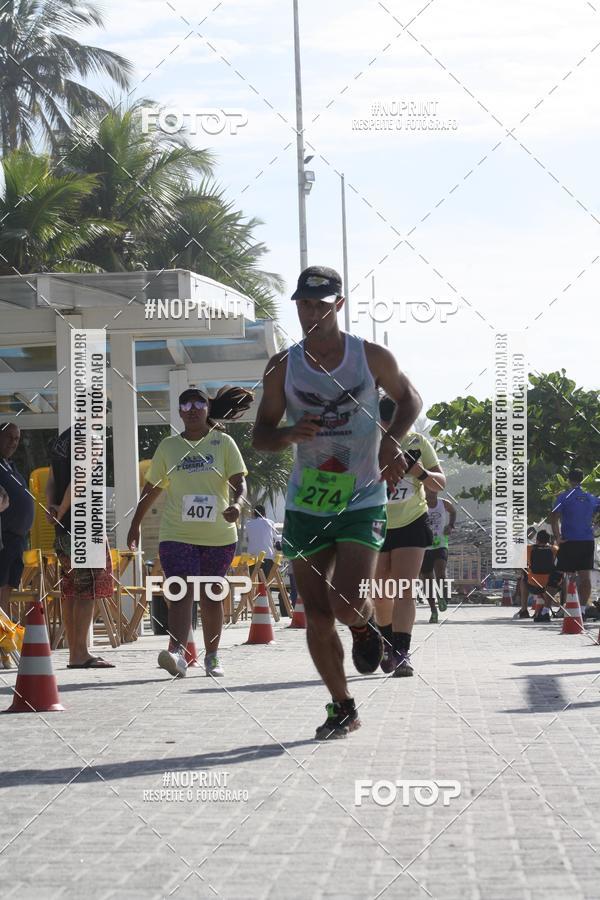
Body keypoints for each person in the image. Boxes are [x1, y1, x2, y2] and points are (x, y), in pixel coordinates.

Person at [252, 265, 422, 739]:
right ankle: (342, 705)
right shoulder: (283, 366)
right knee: (317, 612)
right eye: (304, 304)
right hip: (307, 502)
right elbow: (261, 435)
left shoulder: (369, 357)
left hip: (361, 496)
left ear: (338, 306)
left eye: (321, 305)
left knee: (346, 602)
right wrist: (287, 434)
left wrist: (390, 439)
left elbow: (410, 399)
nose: (311, 313)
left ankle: (365, 626)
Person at [127, 386, 252, 679]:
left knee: (210, 595)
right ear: (180, 412)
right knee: (180, 590)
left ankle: (212, 657)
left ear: (207, 409)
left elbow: (239, 483)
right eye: (185, 404)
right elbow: (151, 490)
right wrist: (135, 525)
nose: (192, 408)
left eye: (198, 403)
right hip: (177, 533)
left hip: (218, 535)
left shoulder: (223, 443)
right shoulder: (169, 447)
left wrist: (236, 504)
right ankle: (177, 654)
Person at [374, 398, 446, 676]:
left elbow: (439, 483)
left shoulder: (417, 442)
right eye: (385, 425)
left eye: (398, 425)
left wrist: (420, 472)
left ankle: (402, 653)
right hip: (376, 523)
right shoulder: (368, 442)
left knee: (404, 588)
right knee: (380, 593)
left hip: (412, 521)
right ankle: (386, 642)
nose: (392, 431)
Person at [46, 427, 116, 669]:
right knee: (88, 588)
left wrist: (53, 508)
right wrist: (62, 511)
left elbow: (52, 478)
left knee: (71, 588)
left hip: (63, 529)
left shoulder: (61, 440)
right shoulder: (91, 438)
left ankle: (74, 651)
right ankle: (80, 653)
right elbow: (79, 478)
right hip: (85, 524)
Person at [0, 424, 35, 633]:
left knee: (8, 586)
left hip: (18, 538)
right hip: (4, 536)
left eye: (17, 439)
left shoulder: (9, 466)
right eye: (9, 437)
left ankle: (4, 632)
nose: (14, 442)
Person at [550, 468, 600, 612]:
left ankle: (545, 609)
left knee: (560, 575)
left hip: (569, 541)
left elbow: (554, 518)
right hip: (587, 541)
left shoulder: (563, 497)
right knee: (585, 577)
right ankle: (582, 609)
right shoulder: (590, 497)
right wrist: (595, 527)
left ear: (568, 479)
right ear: (583, 479)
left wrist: (558, 537)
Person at [420, 488, 456, 623]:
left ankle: (443, 596)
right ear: (425, 491)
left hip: (441, 544)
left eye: (434, 490)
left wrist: (450, 525)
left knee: (440, 572)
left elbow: (453, 511)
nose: (433, 492)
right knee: (427, 580)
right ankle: (433, 610)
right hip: (424, 546)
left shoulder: (443, 503)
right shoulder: (420, 504)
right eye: (430, 490)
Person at [517, 529, 562, 622]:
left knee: (522, 579)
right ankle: (562, 607)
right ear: (548, 540)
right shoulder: (554, 549)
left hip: (532, 585)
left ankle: (524, 610)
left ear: (537, 539)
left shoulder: (528, 549)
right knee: (564, 579)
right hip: (550, 587)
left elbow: (521, 567)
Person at [246, 505, 279, 580]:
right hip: (267, 557)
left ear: (254, 513)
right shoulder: (270, 523)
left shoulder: (248, 524)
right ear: (264, 513)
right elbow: (276, 538)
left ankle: (256, 592)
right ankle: (264, 591)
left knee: (254, 581)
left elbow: (248, 539)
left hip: (252, 558)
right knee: (265, 582)